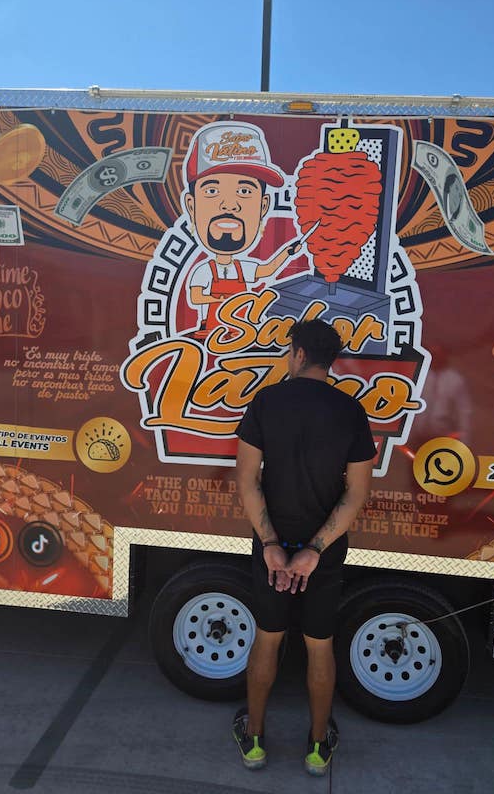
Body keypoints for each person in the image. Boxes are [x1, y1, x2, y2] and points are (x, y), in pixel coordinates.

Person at [233, 319, 376, 775]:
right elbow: (356, 493)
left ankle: (253, 740)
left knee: (267, 638)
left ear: (297, 354)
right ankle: (318, 748)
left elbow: (247, 481)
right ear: (328, 360)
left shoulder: (266, 401)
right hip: (324, 551)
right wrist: (315, 550)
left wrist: (272, 544)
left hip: (273, 544)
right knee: (319, 646)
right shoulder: (350, 411)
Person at [183, 122, 300, 336]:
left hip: (242, 334)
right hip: (211, 332)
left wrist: (288, 252)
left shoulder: (243, 268)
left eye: (245, 190)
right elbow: (195, 297)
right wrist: (222, 299)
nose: (229, 205)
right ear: (191, 206)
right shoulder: (203, 270)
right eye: (212, 190)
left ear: (263, 206)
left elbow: (268, 269)